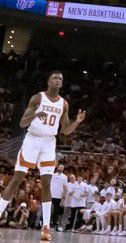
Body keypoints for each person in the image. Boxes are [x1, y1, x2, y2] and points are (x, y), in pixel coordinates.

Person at [0, 71, 86, 241]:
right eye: (55, 78)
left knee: (46, 183)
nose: (58, 80)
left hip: (49, 143)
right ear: (48, 81)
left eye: (61, 78)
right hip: (32, 140)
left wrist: (77, 122)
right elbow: (22, 123)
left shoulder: (64, 104)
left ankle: (46, 227)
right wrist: (35, 115)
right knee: (17, 178)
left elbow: (65, 131)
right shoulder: (37, 98)